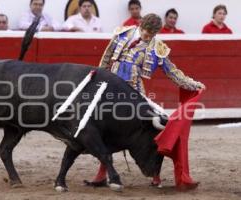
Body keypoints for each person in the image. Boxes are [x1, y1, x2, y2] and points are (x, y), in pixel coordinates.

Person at [84, 13, 205, 190]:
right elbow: (106, 57)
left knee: (152, 127)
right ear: (140, 25)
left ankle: (155, 173)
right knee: (101, 127)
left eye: (150, 35)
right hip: (110, 88)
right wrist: (96, 80)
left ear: (156, 33)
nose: (145, 37)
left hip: (134, 92)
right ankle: (102, 174)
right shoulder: (123, 33)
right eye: (144, 32)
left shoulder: (157, 47)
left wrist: (193, 84)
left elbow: (172, 72)